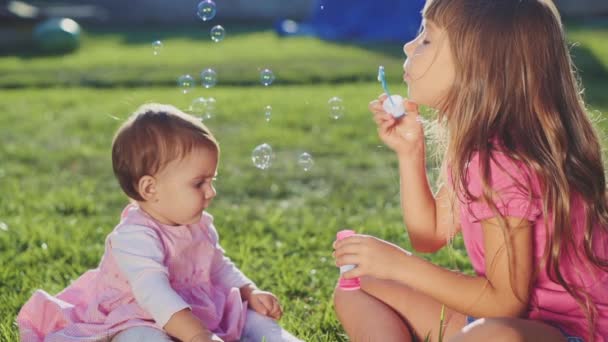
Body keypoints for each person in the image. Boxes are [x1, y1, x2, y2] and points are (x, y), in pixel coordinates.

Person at [333, 0, 608, 341]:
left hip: (575, 333)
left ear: (477, 66)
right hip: (520, 323)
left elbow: (506, 304)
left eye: (427, 38)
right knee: (360, 284)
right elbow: (429, 234)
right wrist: (410, 152)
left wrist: (399, 264)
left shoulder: (502, 160)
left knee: (490, 335)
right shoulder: (479, 147)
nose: (408, 45)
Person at [17, 104, 301, 342]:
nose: (211, 192)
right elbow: (154, 293)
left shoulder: (199, 224)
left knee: (254, 319)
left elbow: (217, 265)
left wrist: (250, 291)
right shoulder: (133, 237)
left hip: (196, 308)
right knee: (142, 336)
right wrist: (197, 336)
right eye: (199, 183)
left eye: (212, 181)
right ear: (150, 189)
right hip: (141, 312)